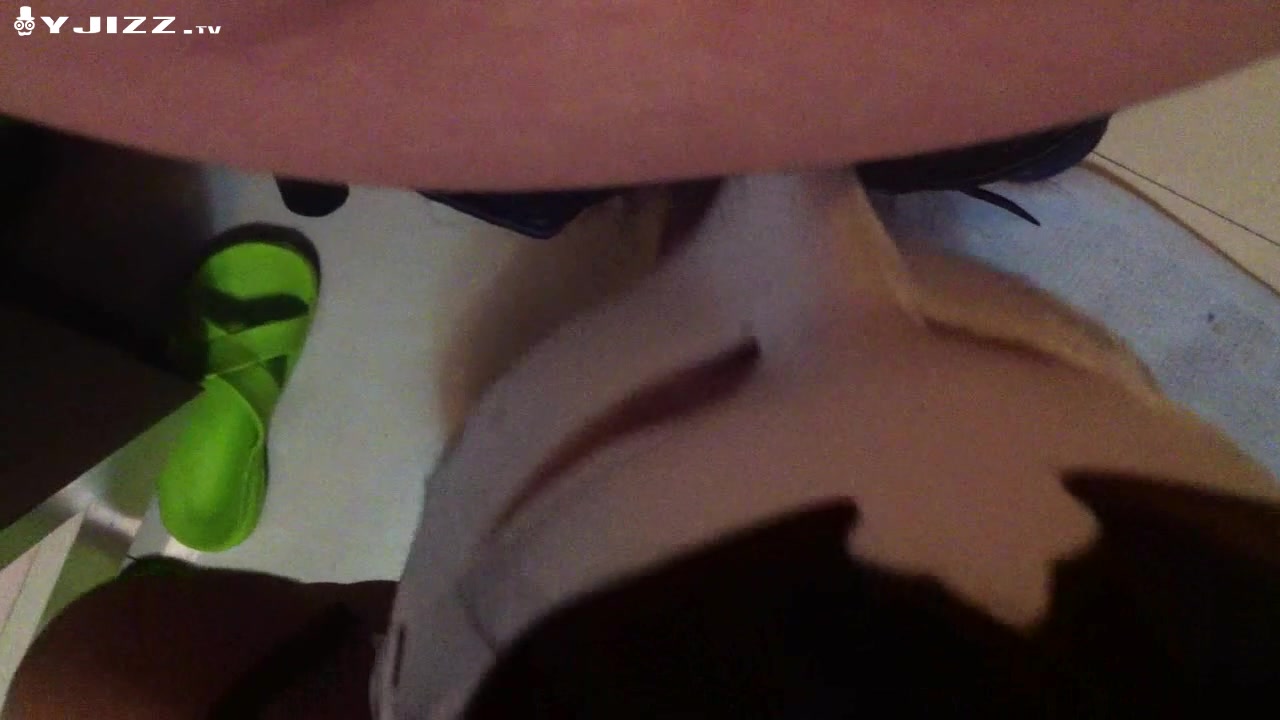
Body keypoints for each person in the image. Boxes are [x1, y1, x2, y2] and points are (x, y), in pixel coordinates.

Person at [6, 4, 1280, 718]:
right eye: (998, 341)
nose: (790, 204)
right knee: (1031, 130)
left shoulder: (128, 684)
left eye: (677, 396)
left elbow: (91, 20)